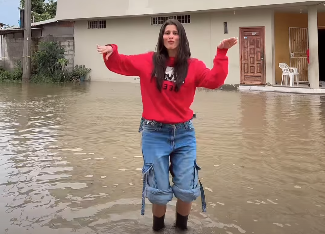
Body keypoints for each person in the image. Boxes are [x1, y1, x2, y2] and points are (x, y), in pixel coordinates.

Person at [97, 19, 237, 232]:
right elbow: (121, 63)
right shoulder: (149, 61)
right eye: (166, 33)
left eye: (175, 33)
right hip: (154, 134)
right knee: (159, 190)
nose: (170, 36)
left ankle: (182, 228)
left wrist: (221, 52)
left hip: (184, 133)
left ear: (181, 37)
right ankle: (158, 229)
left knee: (187, 188)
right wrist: (112, 50)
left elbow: (214, 80)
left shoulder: (194, 66)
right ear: (162, 38)